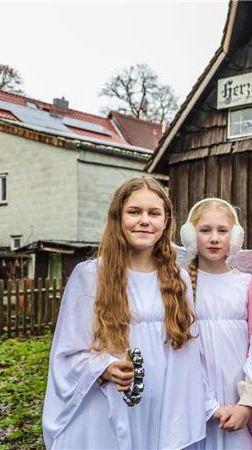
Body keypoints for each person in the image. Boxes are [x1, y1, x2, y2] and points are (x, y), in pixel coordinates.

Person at [42, 176, 218, 449]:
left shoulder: (178, 279)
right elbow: (66, 351)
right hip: (106, 405)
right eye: (134, 212)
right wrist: (105, 368)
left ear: (166, 221)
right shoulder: (90, 276)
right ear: (118, 217)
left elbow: (186, 354)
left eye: (154, 213)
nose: (144, 221)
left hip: (160, 407)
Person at [179, 198, 252, 450]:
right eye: (205, 230)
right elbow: (178, 352)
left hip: (240, 403)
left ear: (234, 237)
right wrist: (209, 405)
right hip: (192, 403)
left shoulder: (250, 285)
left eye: (222, 231)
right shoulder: (178, 286)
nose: (214, 238)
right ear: (191, 235)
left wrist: (247, 403)